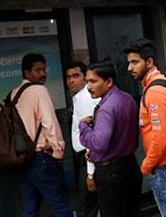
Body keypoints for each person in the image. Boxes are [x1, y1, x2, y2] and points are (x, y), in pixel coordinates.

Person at [124, 38, 166, 217]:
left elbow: (160, 138)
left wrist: (147, 165)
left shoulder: (154, 92)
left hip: (164, 167)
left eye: (134, 62)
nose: (129, 68)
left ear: (149, 62)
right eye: (129, 63)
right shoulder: (160, 84)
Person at [11, 53, 72, 217]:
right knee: (60, 204)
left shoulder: (14, 93)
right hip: (42, 157)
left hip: (24, 157)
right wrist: (58, 150)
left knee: (29, 207)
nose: (43, 73)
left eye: (44, 69)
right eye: (37, 70)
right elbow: (49, 122)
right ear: (26, 72)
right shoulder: (39, 90)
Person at [79, 61, 141, 217]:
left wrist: (83, 127)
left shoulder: (106, 108)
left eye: (93, 81)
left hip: (110, 173)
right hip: (129, 165)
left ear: (108, 82)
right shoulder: (127, 99)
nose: (88, 86)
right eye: (87, 81)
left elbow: (99, 143)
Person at [67, 61, 100, 217]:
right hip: (85, 159)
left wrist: (90, 173)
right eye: (68, 77)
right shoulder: (79, 98)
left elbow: (91, 138)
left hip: (89, 159)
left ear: (85, 77)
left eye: (76, 76)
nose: (71, 80)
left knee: (86, 209)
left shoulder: (86, 98)